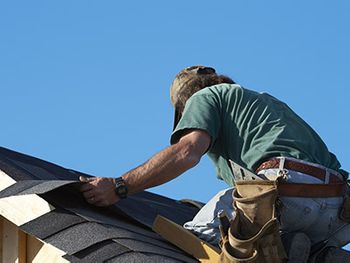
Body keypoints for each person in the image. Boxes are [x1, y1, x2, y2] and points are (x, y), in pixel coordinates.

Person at [80, 65, 349, 262]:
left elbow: (187, 152)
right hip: (335, 214)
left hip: (285, 192)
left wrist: (119, 187)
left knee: (203, 232)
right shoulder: (268, 106)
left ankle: (282, 246)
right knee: (286, 250)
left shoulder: (205, 97)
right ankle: (315, 255)